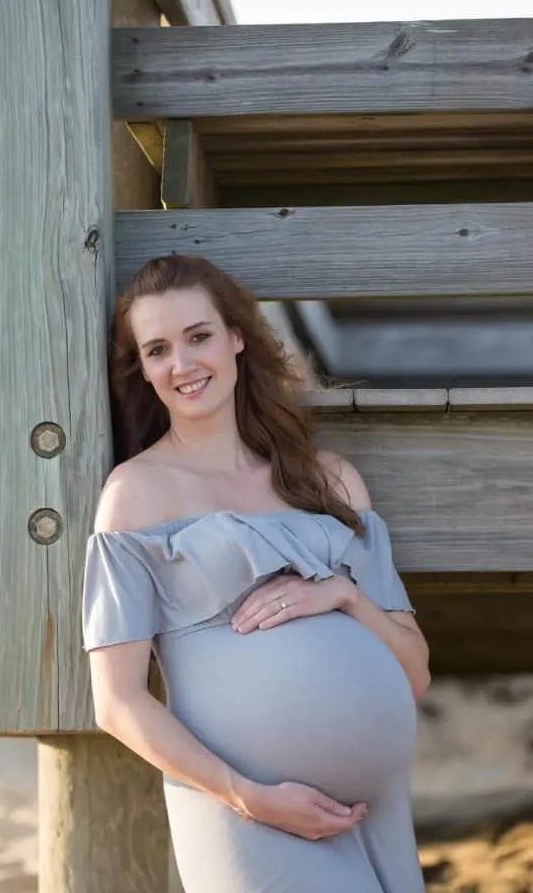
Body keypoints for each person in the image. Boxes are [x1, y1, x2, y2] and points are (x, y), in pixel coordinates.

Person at [82, 254, 430, 893]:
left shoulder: (330, 482)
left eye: (198, 336)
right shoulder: (136, 494)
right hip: (246, 816)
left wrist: (345, 597)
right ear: (145, 371)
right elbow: (117, 701)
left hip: (377, 809)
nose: (183, 364)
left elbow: (414, 672)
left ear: (237, 337)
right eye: (158, 349)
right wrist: (246, 796)